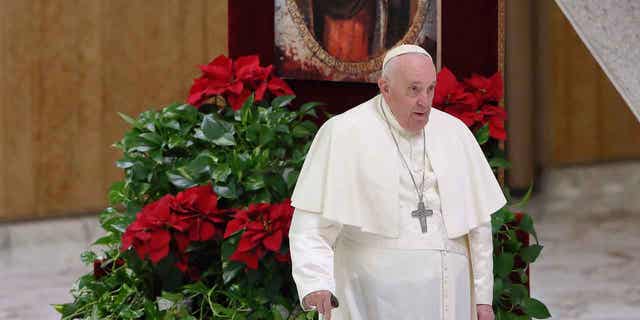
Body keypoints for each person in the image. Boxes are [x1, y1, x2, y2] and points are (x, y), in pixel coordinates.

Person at [288, 44, 505, 320]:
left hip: (446, 298)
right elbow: (311, 224)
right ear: (385, 87)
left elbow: (477, 227)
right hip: (367, 298)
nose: (425, 102)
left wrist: (483, 300)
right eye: (414, 90)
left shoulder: (455, 133)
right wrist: (316, 283)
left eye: (430, 89)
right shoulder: (343, 132)